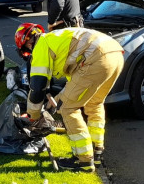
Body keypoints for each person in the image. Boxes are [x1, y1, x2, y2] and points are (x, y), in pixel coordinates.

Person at [16, 24, 124, 172]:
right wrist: (55, 100)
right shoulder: (56, 38)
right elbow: (74, 83)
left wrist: (33, 116)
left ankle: (83, 160)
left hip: (95, 59)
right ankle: (96, 151)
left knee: (68, 109)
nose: (30, 55)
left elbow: (37, 88)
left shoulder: (41, 45)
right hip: (115, 53)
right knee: (94, 103)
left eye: (27, 53)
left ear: (28, 43)